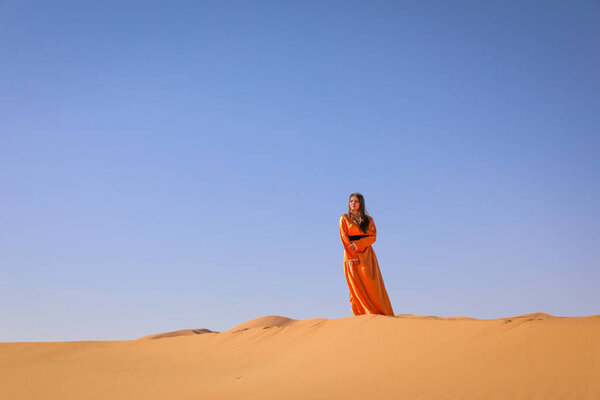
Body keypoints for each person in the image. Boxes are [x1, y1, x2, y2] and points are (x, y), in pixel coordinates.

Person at [339, 193, 394, 316]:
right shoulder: (344, 218)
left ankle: (380, 311)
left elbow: (373, 237)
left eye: (356, 201)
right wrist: (351, 248)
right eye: (351, 201)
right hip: (351, 254)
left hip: (367, 254)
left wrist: (360, 244)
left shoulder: (368, 220)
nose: (353, 203)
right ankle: (361, 314)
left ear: (361, 203)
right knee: (355, 285)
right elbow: (343, 236)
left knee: (372, 284)